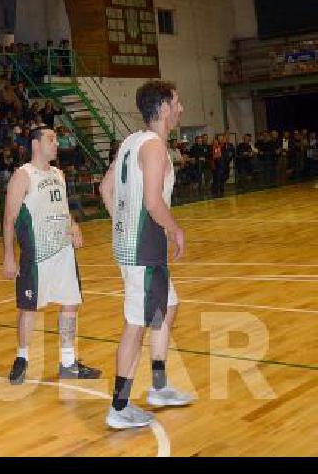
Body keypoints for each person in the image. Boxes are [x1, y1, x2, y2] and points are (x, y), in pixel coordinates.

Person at [99, 81, 193, 430]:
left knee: (167, 308)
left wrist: (122, 224)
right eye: (178, 102)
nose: (181, 108)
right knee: (135, 326)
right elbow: (153, 202)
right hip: (144, 248)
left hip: (137, 244)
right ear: (165, 108)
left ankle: (158, 385)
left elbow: (106, 189)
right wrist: (175, 230)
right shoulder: (154, 147)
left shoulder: (131, 141)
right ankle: (119, 407)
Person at [2, 126, 101, 384]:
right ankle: (22, 358)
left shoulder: (58, 174)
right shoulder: (23, 175)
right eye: (51, 139)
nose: (56, 143)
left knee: (70, 304)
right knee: (29, 307)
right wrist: (9, 256)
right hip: (37, 254)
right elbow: (9, 219)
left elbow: (63, 208)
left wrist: (74, 224)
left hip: (63, 251)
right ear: (36, 144)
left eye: (56, 139)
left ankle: (68, 362)